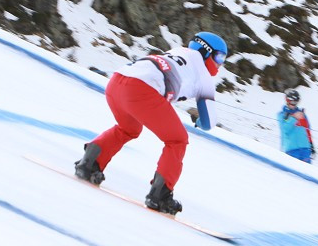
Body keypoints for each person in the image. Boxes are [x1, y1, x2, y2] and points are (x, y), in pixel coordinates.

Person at [74, 31, 228, 215]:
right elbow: (209, 122)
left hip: (117, 82)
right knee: (177, 140)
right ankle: (160, 195)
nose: (220, 64)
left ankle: (90, 163)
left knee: (129, 128)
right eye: (219, 57)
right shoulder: (203, 75)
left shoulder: (177, 52)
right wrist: (200, 120)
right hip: (141, 90)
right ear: (206, 51)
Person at [278, 89, 315, 163]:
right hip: (291, 149)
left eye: (296, 102)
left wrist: (311, 145)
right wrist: (293, 118)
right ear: (287, 101)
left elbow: (307, 130)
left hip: (305, 149)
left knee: (306, 172)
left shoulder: (302, 114)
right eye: (292, 102)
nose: (294, 105)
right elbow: (285, 130)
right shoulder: (282, 115)